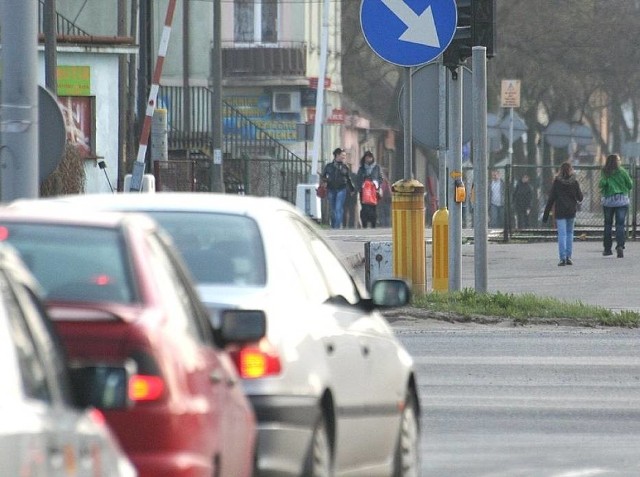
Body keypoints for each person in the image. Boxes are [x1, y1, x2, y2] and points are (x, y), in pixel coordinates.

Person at [542, 161, 583, 266]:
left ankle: (562, 258)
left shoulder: (557, 182)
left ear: (560, 171)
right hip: (571, 211)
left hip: (560, 211)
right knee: (570, 234)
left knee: (562, 234)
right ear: (571, 170)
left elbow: (551, 198)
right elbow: (580, 198)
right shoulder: (574, 182)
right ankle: (569, 257)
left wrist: (546, 214)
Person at [599, 153, 633, 258]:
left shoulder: (605, 171)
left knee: (608, 225)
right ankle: (620, 246)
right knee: (620, 224)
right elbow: (630, 185)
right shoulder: (622, 171)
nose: (620, 161)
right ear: (616, 161)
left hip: (608, 201)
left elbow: (601, 184)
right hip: (622, 201)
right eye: (619, 159)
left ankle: (607, 249)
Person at [321, 148, 354, 229]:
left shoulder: (345, 167)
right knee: (333, 209)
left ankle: (337, 227)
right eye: (342, 155)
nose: (344, 157)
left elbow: (348, 178)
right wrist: (325, 181)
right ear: (337, 155)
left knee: (338, 208)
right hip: (331, 189)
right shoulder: (329, 166)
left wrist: (352, 189)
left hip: (341, 189)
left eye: (344, 156)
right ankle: (333, 225)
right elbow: (323, 176)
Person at [356, 151, 383, 228]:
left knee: (373, 207)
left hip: (373, 191)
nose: (368, 159)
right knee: (364, 207)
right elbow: (358, 179)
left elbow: (381, 178)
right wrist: (360, 187)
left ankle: (373, 223)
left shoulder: (377, 167)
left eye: (370, 157)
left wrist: (377, 184)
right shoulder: (362, 168)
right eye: (367, 157)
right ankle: (364, 223)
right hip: (363, 191)